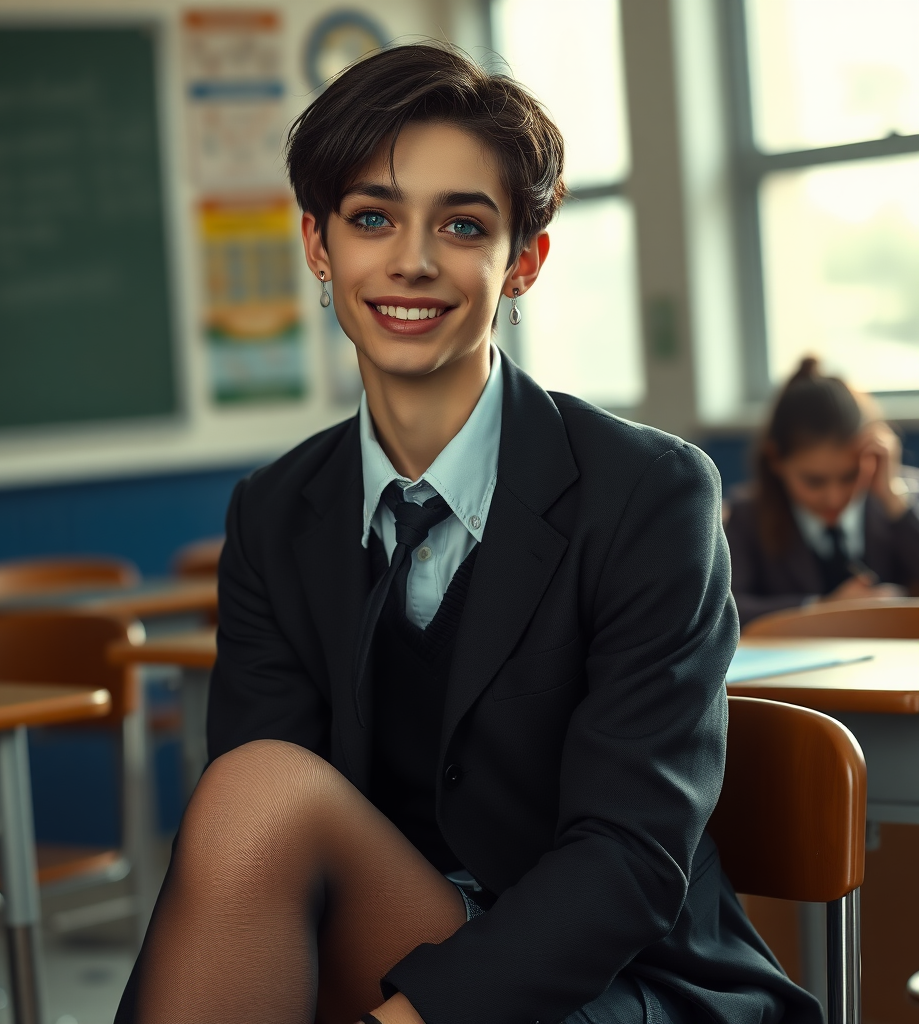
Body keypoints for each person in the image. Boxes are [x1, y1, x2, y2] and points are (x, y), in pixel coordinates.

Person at [116, 44, 819, 1024]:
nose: (410, 259)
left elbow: (626, 860)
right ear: (319, 247)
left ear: (521, 260)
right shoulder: (274, 510)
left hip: (620, 980)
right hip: (395, 936)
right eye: (371, 218)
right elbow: (262, 831)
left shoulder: (647, 491)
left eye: (461, 223)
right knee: (253, 791)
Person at [726, 356, 919, 626]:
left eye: (850, 476)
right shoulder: (746, 516)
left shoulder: (902, 499)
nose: (835, 497)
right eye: (814, 481)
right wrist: (824, 608)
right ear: (776, 460)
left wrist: (893, 499)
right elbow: (727, 610)